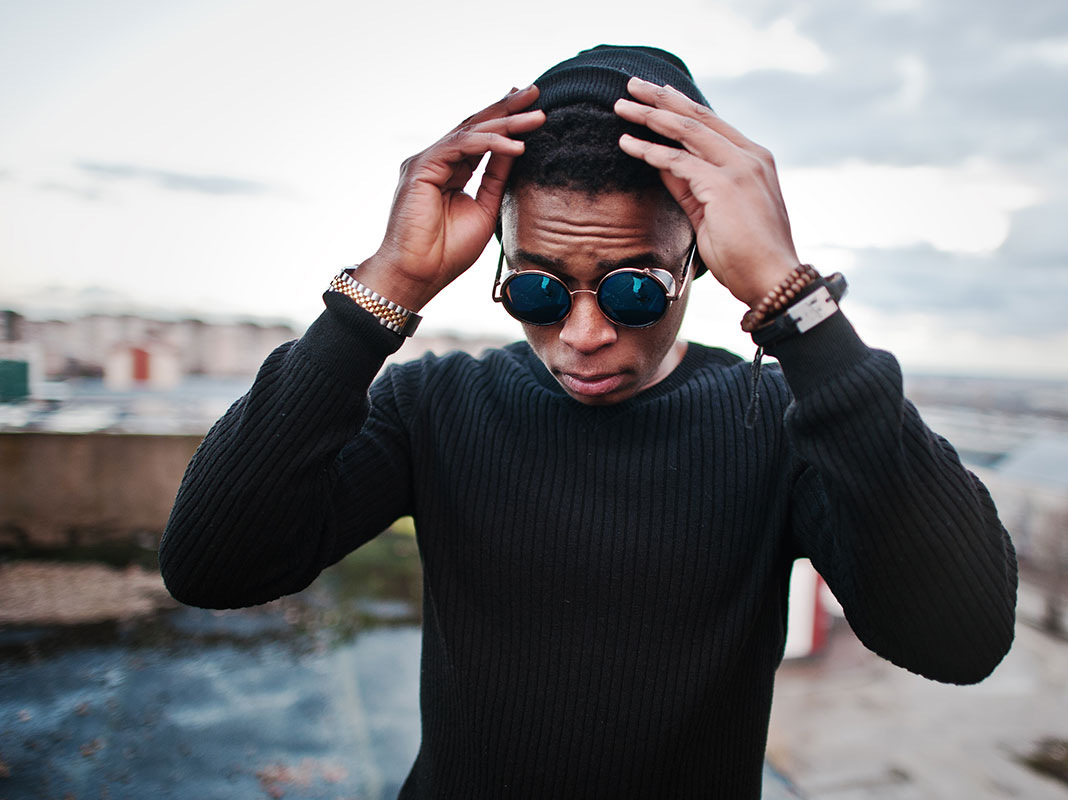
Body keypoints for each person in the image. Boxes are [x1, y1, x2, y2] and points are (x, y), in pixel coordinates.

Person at [160, 45, 1017, 800]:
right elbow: (213, 565)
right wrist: (383, 291)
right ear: (500, 261)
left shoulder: (777, 425)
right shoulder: (435, 405)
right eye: (536, 289)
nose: (581, 335)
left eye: (633, 290)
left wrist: (796, 305)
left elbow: (961, 638)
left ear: (699, 264)